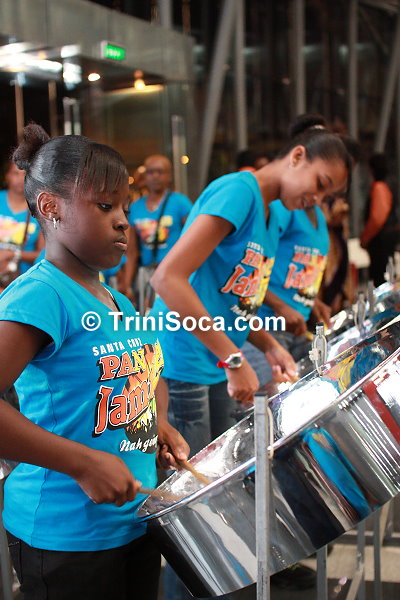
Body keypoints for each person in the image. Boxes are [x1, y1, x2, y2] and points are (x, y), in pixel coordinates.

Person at [151, 127, 351, 600]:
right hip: (184, 362)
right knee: (192, 510)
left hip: (212, 363)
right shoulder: (238, 191)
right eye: (319, 183)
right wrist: (234, 357)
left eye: (328, 195)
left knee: (214, 501)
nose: (317, 199)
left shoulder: (270, 211)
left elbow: (236, 301)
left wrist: (267, 344)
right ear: (297, 156)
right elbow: (168, 278)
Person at [0, 124, 189, 600]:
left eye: (125, 208)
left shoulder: (116, 300)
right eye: (105, 206)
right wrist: (82, 464)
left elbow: (149, 374)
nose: (123, 221)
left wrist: (160, 424)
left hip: (134, 521)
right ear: (51, 207)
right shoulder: (40, 296)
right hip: (66, 536)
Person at [124, 154, 192, 306]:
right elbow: (132, 251)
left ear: (169, 176)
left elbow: (193, 241)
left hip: (175, 274)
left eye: (160, 172)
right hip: (148, 276)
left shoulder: (180, 203)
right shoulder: (136, 207)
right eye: (150, 172)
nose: (155, 176)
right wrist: (127, 286)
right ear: (145, 176)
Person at [0, 161, 44, 291]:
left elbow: (43, 254)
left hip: (22, 284)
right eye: (15, 173)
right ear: (7, 175)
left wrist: (12, 254)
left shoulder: (39, 209)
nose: (20, 179)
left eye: (24, 174)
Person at [360, 153, 399, 286]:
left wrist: (365, 237)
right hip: (386, 240)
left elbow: (377, 218)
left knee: (381, 279)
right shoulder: (389, 184)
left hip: (381, 242)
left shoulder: (379, 187)